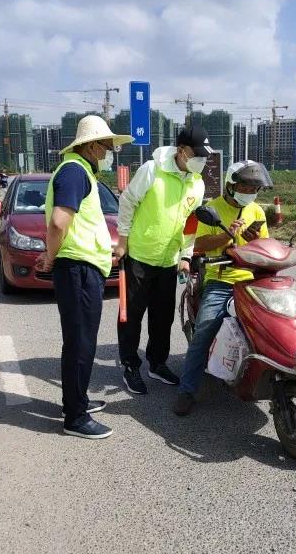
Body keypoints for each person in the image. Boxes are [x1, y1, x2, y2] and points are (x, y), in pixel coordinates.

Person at [35, 115, 133, 439]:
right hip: (78, 269)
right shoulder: (75, 171)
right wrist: (51, 257)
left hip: (82, 268)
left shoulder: (77, 172)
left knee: (80, 341)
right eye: (107, 147)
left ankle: (76, 402)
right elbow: (59, 222)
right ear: (91, 146)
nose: (109, 154)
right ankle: (75, 418)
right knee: (80, 343)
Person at [115, 125, 211, 395]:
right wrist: (122, 240)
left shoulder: (197, 183)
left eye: (204, 156)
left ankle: (157, 363)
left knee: (162, 318)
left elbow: (190, 224)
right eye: (197, 154)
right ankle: (130, 365)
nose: (201, 160)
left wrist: (185, 256)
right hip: (139, 256)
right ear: (181, 151)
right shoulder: (152, 169)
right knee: (130, 316)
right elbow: (127, 202)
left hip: (168, 260)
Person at [174, 161, 273, 416]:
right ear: (230, 186)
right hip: (222, 280)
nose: (249, 193)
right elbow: (200, 244)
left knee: (273, 324)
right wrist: (227, 235)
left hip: (252, 279)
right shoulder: (211, 209)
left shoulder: (257, 211)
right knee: (204, 330)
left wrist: (255, 241)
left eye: (254, 189)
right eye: (244, 187)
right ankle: (187, 390)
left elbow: (264, 246)